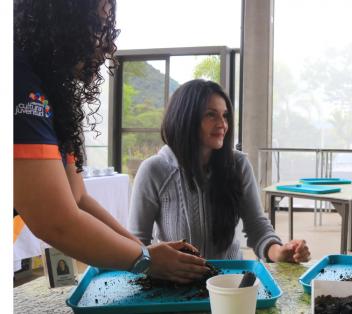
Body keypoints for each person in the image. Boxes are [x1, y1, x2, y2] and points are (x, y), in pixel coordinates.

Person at [14, 0, 210, 284]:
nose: (107, 47)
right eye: (100, 28)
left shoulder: (52, 93)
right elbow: (55, 222)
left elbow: (77, 198)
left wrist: (145, 251)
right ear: (59, 20)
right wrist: (145, 261)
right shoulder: (18, 81)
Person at [128, 79, 311, 264]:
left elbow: (257, 227)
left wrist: (279, 252)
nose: (222, 124)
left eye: (225, 116)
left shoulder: (238, 165)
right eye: (211, 115)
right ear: (186, 118)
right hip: (178, 283)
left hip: (229, 279)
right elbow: (137, 244)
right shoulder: (154, 170)